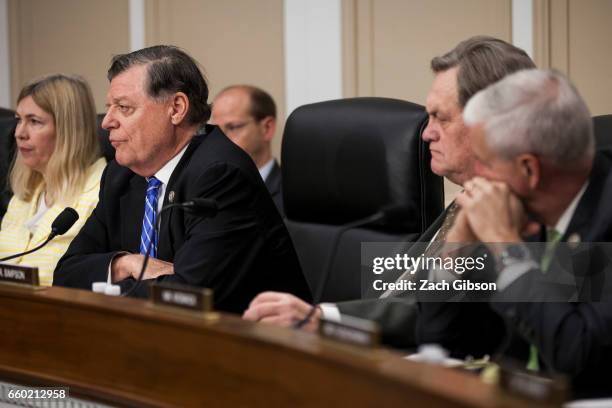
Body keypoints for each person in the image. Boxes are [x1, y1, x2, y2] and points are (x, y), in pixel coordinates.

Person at [242, 36, 536, 346]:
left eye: (441, 118)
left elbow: (433, 314)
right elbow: (406, 295)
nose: (426, 133)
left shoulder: (524, 213)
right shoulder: (466, 199)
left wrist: (324, 319)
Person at [53, 46, 311, 313]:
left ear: (176, 108)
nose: (107, 122)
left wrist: (105, 282)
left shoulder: (221, 175)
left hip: (250, 341)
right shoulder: (122, 176)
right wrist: (125, 264)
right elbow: (66, 273)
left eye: (124, 108)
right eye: (109, 108)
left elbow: (187, 295)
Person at [418, 69, 612, 398]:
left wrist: (507, 246)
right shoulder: (524, 209)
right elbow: (439, 340)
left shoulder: (600, 216)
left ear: (529, 169)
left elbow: (576, 358)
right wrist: (457, 249)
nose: (475, 175)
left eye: (483, 161)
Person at [0, 74, 106, 286]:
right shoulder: (27, 191)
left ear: (69, 130)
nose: (19, 133)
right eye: (19, 120)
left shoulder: (101, 191)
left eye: (34, 122)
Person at [211, 85, 283, 215]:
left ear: (267, 128)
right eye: (216, 131)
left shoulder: (294, 196)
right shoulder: (205, 192)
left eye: (233, 127)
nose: (220, 141)